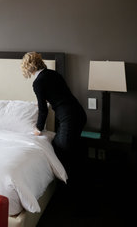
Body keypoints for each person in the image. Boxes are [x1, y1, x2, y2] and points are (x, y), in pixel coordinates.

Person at [21, 52, 87, 184]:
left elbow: (43, 108)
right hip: (79, 112)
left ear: (30, 66)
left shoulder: (38, 83)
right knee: (71, 146)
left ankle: (68, 184)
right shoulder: (54, 73)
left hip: (69, 117)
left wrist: (38, 129)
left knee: (59, 146)